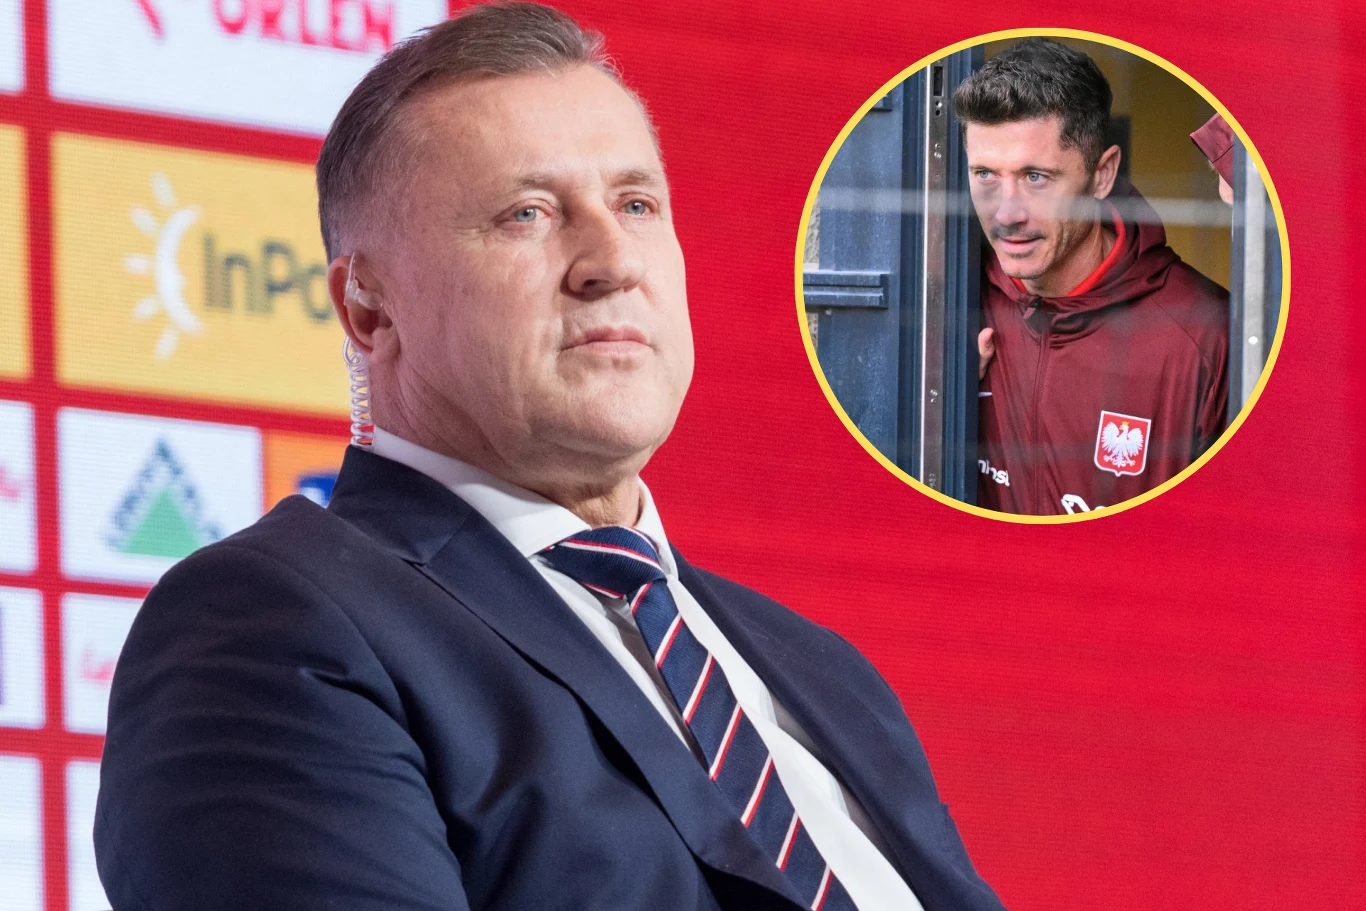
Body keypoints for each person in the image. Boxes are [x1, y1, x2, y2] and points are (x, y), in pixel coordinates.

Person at [94, 5, 1006, 910]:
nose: (613, 259)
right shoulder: (275, 623)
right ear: (369, 308)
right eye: (526, 214)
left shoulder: (823, 671)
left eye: (637, 204)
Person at [958, 38, 1228, 516]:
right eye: (985, 175)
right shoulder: (948, 303)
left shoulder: (1207, 334)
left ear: (1102, 175)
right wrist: (939, 396)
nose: (1006, 214)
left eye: (1036, 177)